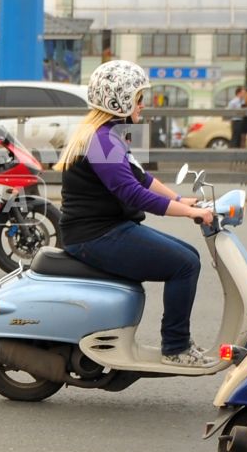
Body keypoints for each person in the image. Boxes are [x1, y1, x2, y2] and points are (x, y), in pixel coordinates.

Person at [56, 59, 217, 367]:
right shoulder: (101, 140)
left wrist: (182, 200)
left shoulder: (106, 133)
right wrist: (186, 213)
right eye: (139, 98)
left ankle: (177, 342)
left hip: (107, 229)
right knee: (184, 264)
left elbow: (140, 178)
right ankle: (175, 347)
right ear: (120, 100)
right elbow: (132, 193)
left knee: (189, 256)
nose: (143, 105)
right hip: (96, 236)